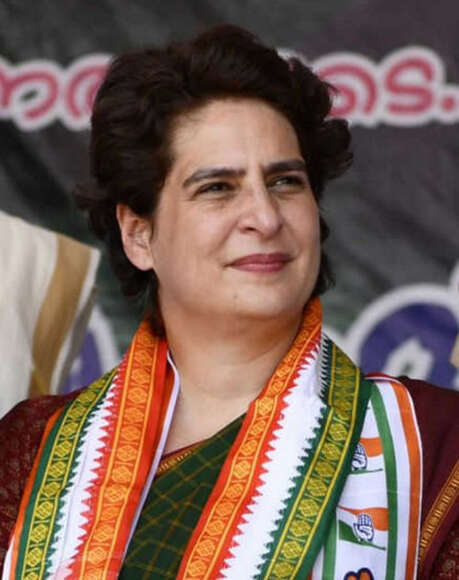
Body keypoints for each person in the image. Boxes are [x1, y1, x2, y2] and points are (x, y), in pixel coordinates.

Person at [0, 25, 457, 580]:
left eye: (285, 182)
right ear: (139, 234)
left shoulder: (435, 447)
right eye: (217, 187)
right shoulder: (32, 449)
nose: (265, 217)